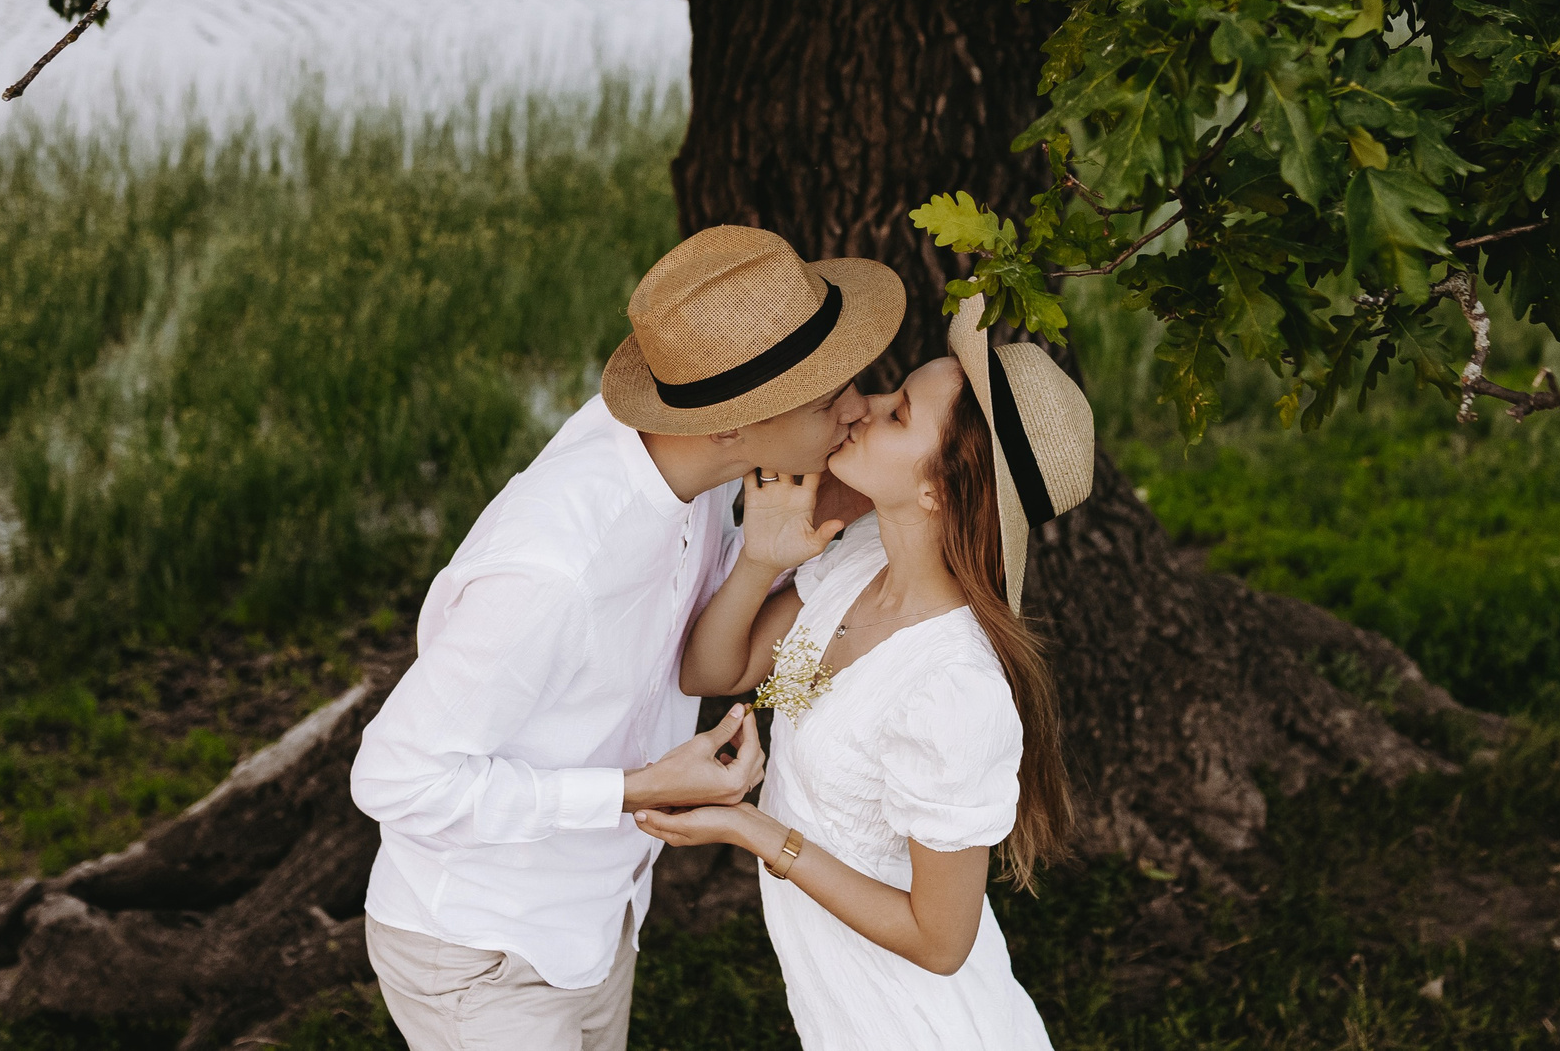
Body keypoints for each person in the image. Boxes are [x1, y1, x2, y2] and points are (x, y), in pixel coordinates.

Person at [348, 225, 904, 1051]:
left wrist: (788, 552)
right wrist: (632, 789)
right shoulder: (554, 570)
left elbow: (689, 658)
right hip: (483, 949)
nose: (858, 407)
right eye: (831, 400)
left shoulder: (702, 471)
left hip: (600, 919)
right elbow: (393, 778)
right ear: (729, 425)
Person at [641, 293, 1097, 1050]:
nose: (863, 404)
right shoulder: (858, 566)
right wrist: (760, 559)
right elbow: (712, 671)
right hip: (839, 1012)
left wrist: (756, 831)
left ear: (937, 489)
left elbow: (939, 942)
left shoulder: (953, 692)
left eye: (897, 414)